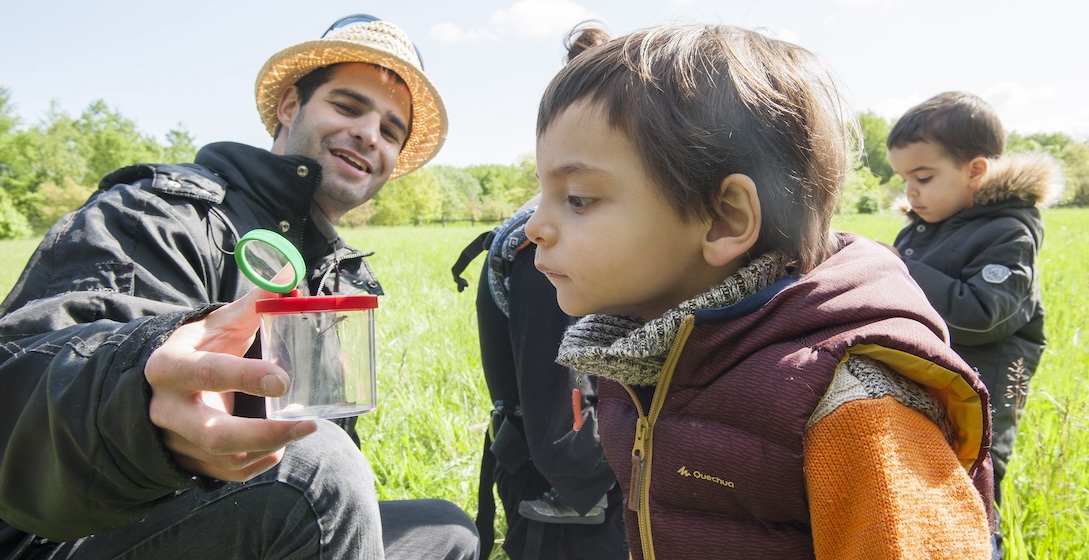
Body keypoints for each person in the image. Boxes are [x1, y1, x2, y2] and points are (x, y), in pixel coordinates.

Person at [0, 14, 478, 560]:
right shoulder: (161, 213)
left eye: (391, 131)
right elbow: (24, 382)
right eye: (348, 107)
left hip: (231, 515)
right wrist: (136, 397)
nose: (370, 133)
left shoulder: (333, 276)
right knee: (320, 464)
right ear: (290, 107)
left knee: (444, 531)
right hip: (70, 534)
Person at [524, 24, 998, 559]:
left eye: (579, 198)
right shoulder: (643, 359)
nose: (532, 227)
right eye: (541, 193)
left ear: (725, 219)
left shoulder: (851, 407)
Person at [450, 22, 627, 560]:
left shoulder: (608, 233)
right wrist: (598, 477)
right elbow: (563, 414)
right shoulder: (545, 249)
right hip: (574, 507)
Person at [885, 92, 1064, 507]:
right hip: (931, 388)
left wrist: (902, 268)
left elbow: (982, 315)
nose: (911, 192)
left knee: (973, 496)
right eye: (904, 180)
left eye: (924, 178)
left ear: (976, 171)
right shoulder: (921, 230)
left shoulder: (1008, 233)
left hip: (980, 400)